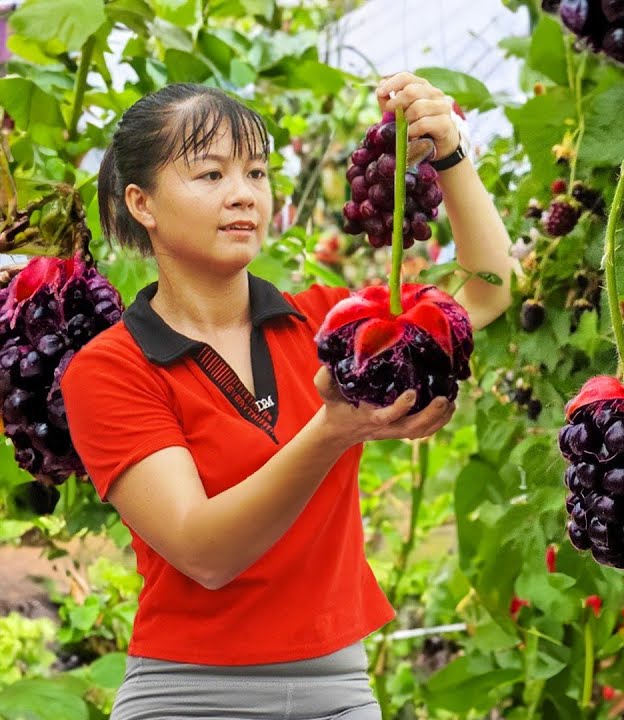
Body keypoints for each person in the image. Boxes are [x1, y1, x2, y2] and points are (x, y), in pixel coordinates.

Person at [59, 73, 516, 719]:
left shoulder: (330, 324)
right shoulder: (110, 369)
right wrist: (333, 431)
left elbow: (489, 291)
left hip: (339, 692)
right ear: (143, 203)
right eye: (210, 175)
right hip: (188, 697)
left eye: (256, 172)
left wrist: (449, 153)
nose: (243, 194)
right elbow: (204, 552)